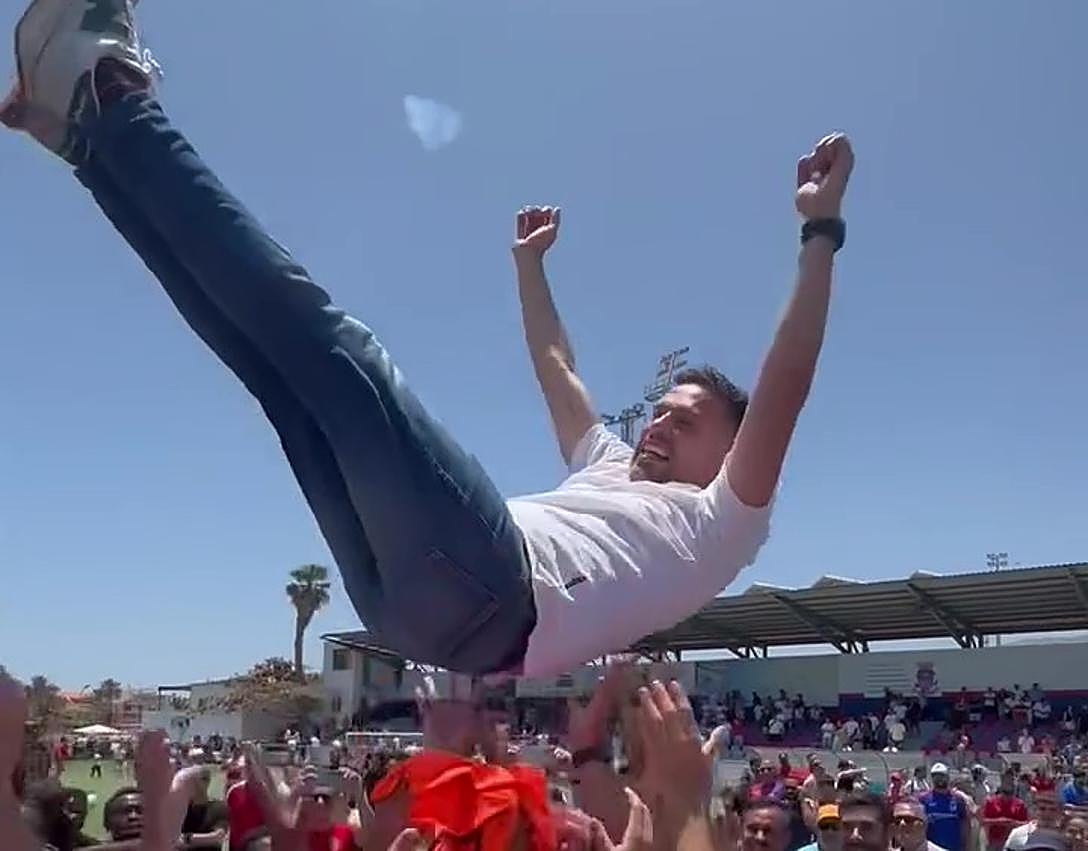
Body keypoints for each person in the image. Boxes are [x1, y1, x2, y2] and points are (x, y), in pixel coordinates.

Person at [2, 0, 852, 677]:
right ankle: (88, 144)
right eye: (661, 411)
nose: (658, 424)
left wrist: (819, 233)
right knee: (279, 375)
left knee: (337, 351)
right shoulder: (605, 466)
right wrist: (530, 268)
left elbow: (787, 379)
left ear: (732, 447)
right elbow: (556, 365)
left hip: (496, 585)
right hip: (422, 608)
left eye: (686, 419)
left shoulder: (724, 521)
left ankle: (112, 92)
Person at [920, 764, 970, 851]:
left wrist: (966, 846)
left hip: (954, 847)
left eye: (942, 775)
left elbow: (965, 824)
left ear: (947, 777)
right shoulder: (923, 799)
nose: (939, 778)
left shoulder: (958, 799)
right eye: (936, 776)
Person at [982, 774, 1030, 851]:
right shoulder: (991, 802)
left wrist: (1012, 823)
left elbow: (1026, 823)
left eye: (1010, 793)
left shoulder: (1020, 804)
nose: (1007, 796)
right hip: (995, 840)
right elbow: (984, 820)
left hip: (1014, 841)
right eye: (1005, 793)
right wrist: (1000, 821)